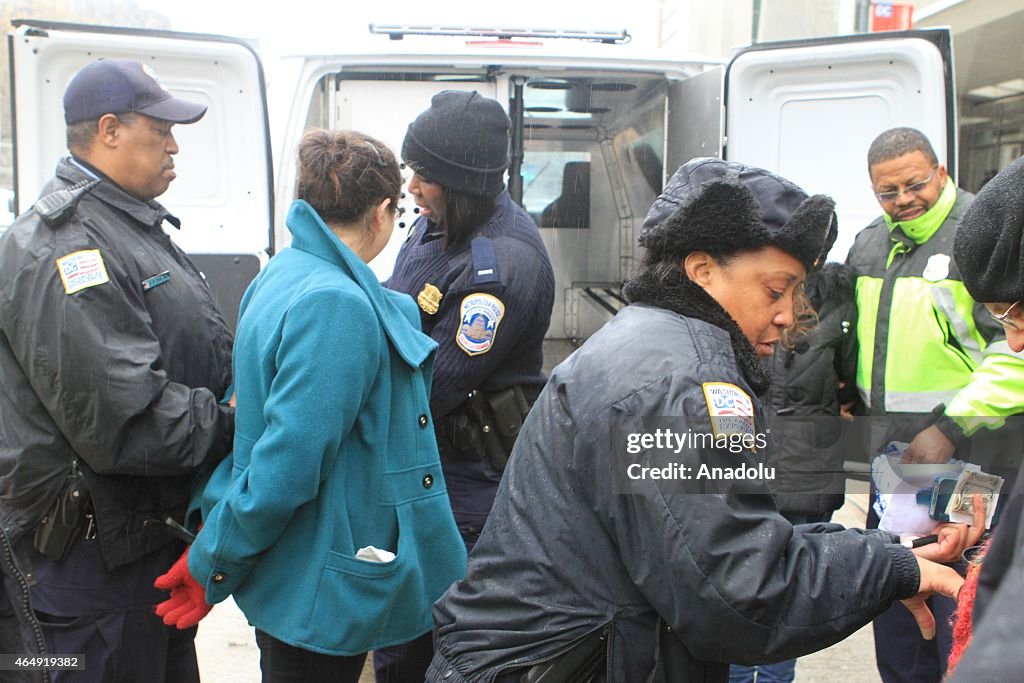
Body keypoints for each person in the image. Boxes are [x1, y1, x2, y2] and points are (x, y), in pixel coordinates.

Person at [423, 157, 968, 683]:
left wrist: (883, 553)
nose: (788, 314)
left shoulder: (658, 346)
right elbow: (740, 589)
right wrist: (890, 570)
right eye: (776, 290)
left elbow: (729, 535)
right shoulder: (679, 384)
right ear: (702, 270)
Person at [152, 129, 467, 682]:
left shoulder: (284, 272)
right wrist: (213, 563)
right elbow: (286, 465)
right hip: (318, 581)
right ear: (383, 212)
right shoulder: (336, 304)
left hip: (293, 569)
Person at [0, 58, 234, 682]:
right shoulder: (67, 246)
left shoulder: (129, 225)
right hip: (85, 572)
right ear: (108, 130)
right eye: (160, 129)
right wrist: (243, 421)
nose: (174, 143)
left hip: (137, 551)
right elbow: (126, 422)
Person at [378, 90, 555, 681]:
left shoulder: (500, 265)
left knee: (445, 649)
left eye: (424, 176)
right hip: (422, 471)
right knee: (401, 638)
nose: (411, 189)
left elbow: (435, 384)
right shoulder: (437, 226)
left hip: (467, 492)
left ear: (463, 180)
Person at [846, 127, 1024, 682]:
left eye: (915, 183)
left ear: (941, 172)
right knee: (902, 591)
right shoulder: (871, 242)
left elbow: (1011, 355)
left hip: (970, 450)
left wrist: (952, 424)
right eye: (888, 191)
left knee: (960, 601)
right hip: (896, 458)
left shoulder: (985, 239)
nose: (904, 199)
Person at [728, 261, 860, 683]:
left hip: (772, 472)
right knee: (785, 598)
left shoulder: (745, 298)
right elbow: (851, 381)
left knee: (747, 594)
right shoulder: (841, 307)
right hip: (804, 469)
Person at [944, 154, 1024, 681]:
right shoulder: (869, 248)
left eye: (1017, 312)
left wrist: (947, 427)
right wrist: (971, 494)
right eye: (1003, 318)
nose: (1013, 339)